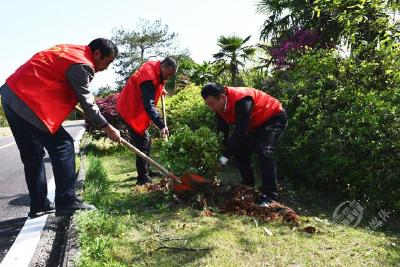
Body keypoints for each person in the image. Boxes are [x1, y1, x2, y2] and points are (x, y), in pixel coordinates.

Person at [0, 38, 121, 217]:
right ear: (97, 53)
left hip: (10, 95)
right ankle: (67, 202)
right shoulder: (83, 65)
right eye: (107, 61)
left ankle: (39, 204)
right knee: (63, 145)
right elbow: (88, 104)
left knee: (32, 153)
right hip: (27, 99)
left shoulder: (70, 51)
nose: (106, 67)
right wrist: (108, 127)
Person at [201, 83, 288, 207]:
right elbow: (222, 134)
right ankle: (248, 186)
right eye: (208, 104)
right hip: (255, 123)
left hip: (273, 117)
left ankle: (270, 196)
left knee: (264, 150)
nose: (211, 108)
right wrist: (217, 155)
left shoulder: (242, 100)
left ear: (222, 97)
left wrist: (224, 159)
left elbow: (240, 132)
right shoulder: (219, 108)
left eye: (211, 103)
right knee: (240, 150)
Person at [117, 57, 177, 185]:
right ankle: (142, 178)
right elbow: (149, 104)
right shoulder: (148, 75)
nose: (168, 78)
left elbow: (158, 82)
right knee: (143, 142)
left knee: (146, 140)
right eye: (168, 74)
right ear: (164, 67)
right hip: (129, 109)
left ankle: (146, 171)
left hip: (133, 107)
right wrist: (162, 125)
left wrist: (161, 89)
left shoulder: (155, 69)